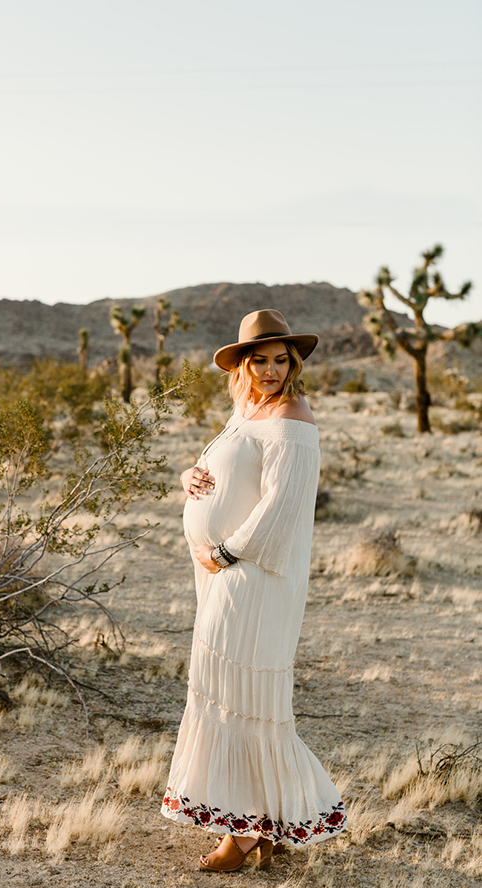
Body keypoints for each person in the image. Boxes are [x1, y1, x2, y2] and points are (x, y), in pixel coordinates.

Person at [161, 309, 347, 872]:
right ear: (242, 364)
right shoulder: (246, 411)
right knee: (223, 688)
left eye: (280, 360)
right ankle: (256, 828)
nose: (270, 370)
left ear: (293, 364)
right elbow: (223, 471)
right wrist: (189, 477)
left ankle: (242, 838)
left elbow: (282, 507)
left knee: (240, 694)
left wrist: (224, 551)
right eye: (260, 359)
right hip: (228, 572)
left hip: (253, 575)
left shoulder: (293, 414)